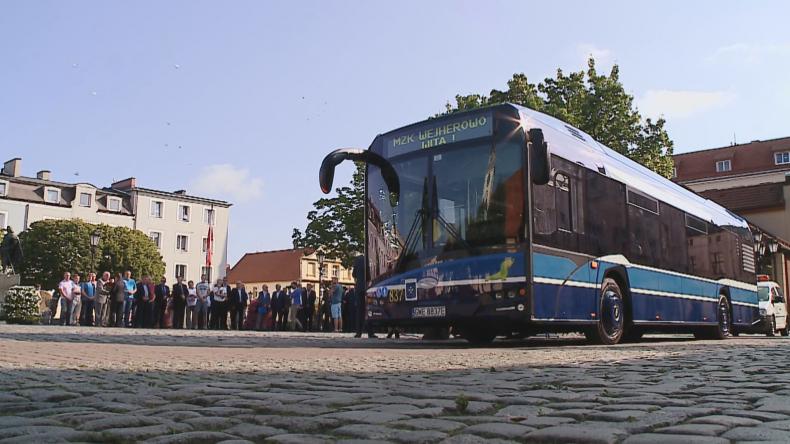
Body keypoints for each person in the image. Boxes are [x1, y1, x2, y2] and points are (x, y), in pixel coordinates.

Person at [352, 255, 377, 338]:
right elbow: (371, 275)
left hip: (359, 287)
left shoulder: (357, 260)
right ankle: (370, 332)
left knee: (359, 311)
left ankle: (358, 332)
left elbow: (353, 274)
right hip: (368, 287)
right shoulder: (370, 259)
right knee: (369, 310)